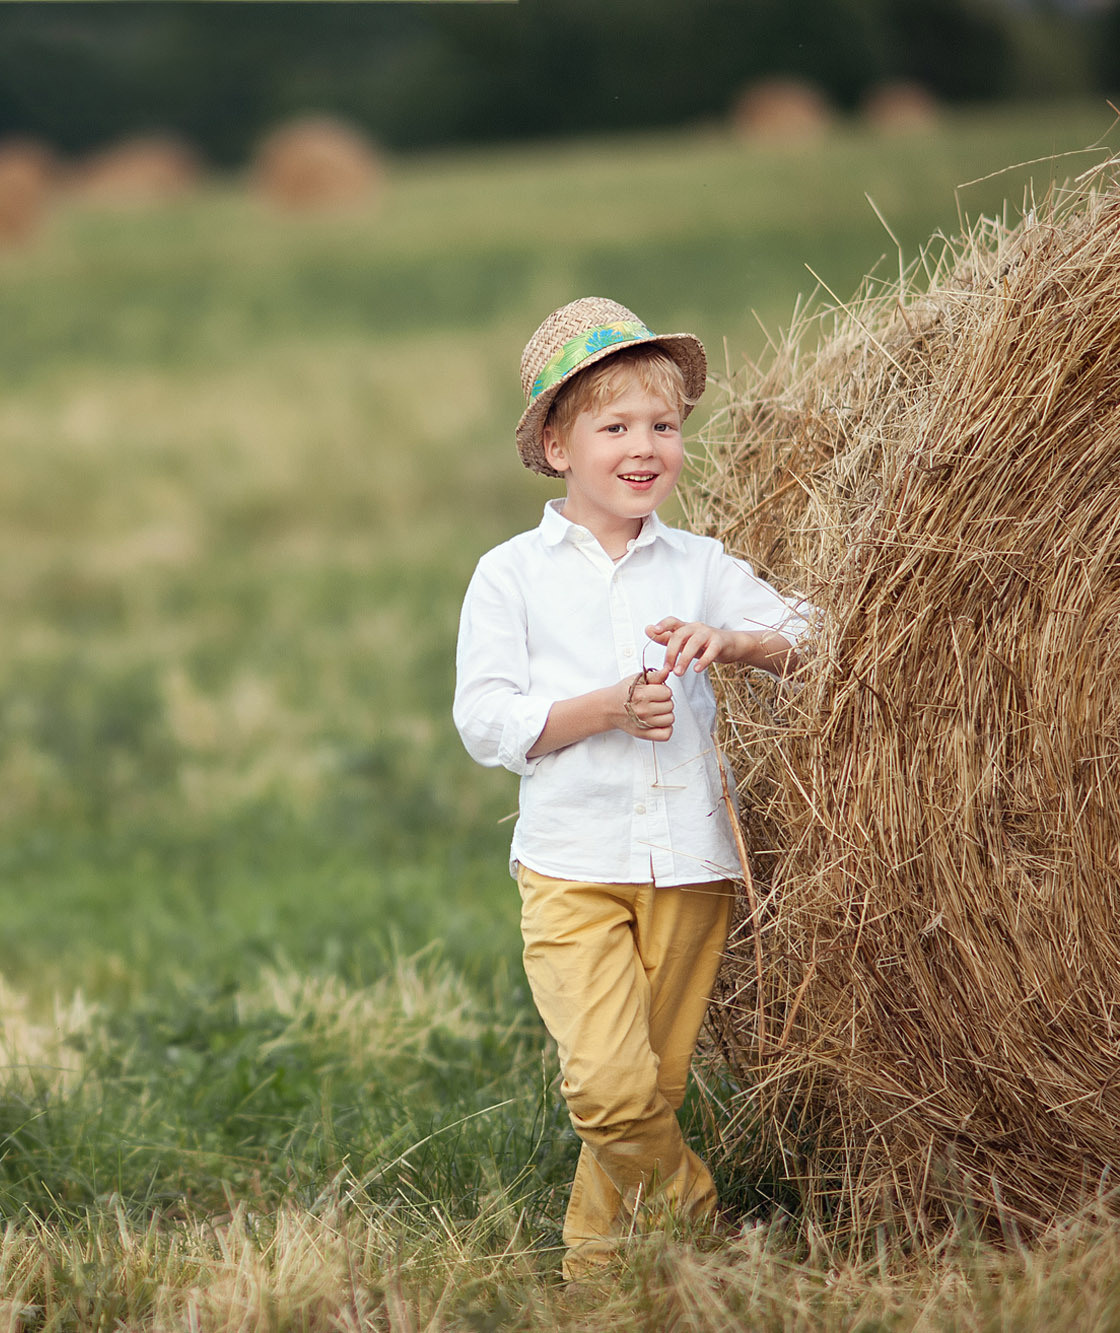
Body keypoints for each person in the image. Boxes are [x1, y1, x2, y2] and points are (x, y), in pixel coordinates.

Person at [452, 296, 809, 1280]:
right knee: (607, 1091)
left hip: (689, 865)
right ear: (558, 445)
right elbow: (484, 720)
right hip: (569, 866)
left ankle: (596, 1278)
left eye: (662, 425)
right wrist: (605, 707)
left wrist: (735, 641)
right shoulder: (509, 576)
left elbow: (819, 633)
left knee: (645, 1086)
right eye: (615, 427)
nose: (643, 446)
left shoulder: (697, 567)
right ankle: (699, 1220)